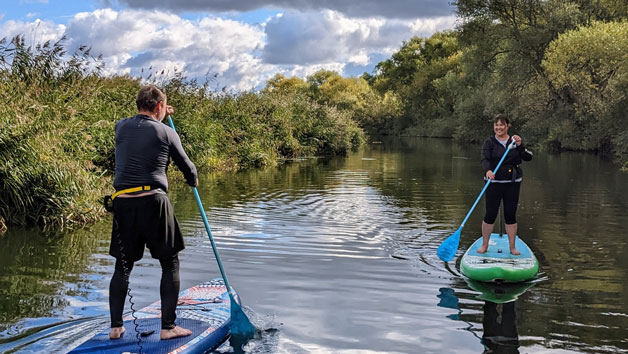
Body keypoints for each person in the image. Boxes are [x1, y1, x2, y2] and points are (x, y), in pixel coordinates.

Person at [108, 85, 198, 340]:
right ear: (159, 106)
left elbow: (142, 125)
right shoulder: (167, 132)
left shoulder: (120, 127)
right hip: (154, 202)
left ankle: (116, 328)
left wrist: (160, 112)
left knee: (122, 267)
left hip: (122, 203)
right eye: (163, 107)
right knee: (169, 263)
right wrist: (193, 180)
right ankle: (168, 328)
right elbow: (188, 168)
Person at [478, 114, 532, 255]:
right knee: (490, 214)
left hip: (512, 183)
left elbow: (528, 157)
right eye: (496, 125)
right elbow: (484, 159)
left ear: (508, 126)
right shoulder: (489, 142)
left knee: (510, 214)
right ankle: (484, 245)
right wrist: (488, 170)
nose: (499, 127)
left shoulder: (515, 142)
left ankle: (512, 247)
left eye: (502, 124)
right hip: (493, 182)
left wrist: (520, 146)